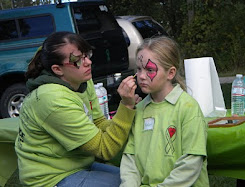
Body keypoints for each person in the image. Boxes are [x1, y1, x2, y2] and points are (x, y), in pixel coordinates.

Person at [14, 31, 139, 187]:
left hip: (77, 164)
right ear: (57, 69)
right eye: (77, 60)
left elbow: (98, 123)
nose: (88, 63)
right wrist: (126, 107)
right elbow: (105, 149)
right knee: (128, 184)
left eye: (86, 55)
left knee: (136, 177)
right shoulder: (52, 99)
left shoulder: (81, 81)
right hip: (50, 178)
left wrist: (130, 117)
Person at [120, 36, 209, 187]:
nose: (141, 76)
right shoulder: (140, 109)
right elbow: (130, 159)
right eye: (139, 69)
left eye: (150, 70)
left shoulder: (188, 108)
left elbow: (191, 163)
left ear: (170, 73)